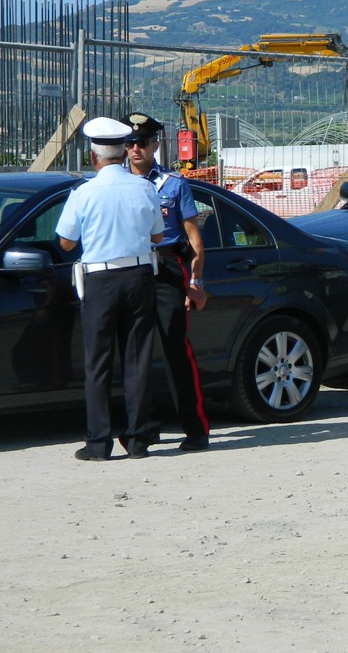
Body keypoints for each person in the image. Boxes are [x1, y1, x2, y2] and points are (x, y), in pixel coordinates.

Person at [56, 117, 164, 460]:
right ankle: (137, 440)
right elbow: (158, 235)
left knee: (98, 362)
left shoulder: (83, 193)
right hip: (138, 275)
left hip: (100, 280)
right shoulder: (145, 188)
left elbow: (66, 242)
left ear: (93, 157)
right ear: (122, 152)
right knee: (137, 359)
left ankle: (98, 442)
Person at [120, 112, 211, 452]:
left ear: (155, 144)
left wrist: (197, 282)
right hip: (130, 269)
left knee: (176, 349)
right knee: (135, 352)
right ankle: (142, 431)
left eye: (141, 142)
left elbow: (193, 237)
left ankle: (196, 429)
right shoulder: (118, 183)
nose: (134, 149)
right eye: (129, 143)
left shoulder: (173, 184)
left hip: (167, 267)